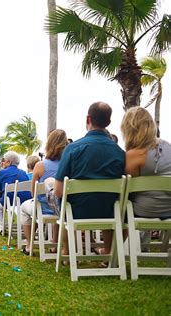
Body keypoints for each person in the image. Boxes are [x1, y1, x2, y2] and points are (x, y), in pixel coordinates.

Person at [54, 102, 125, 256]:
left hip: (77, 212)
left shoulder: (72, 149)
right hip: (110, 212)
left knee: (53, 193)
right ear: (109, 123)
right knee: (106, 200)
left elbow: (59, 191)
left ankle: (67, 250)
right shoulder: (119, 152)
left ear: (88, 119)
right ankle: (108, 252)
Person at [20, 129, 68, 255]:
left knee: (23, 209)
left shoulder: (40, 165)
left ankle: (30, 245)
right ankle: (54, 243)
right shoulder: (69, 164)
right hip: (65, 209)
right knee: (58, 202)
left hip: (44, 209)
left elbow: (33, 193)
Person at [121, 107, 171, 219]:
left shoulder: (133, 156)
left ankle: (119, 237)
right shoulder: (168, 146)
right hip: (169, 210)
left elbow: (130, 190)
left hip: (146, 210)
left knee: (121, 204)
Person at [0, 151, 31, 232]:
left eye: (4, 160)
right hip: (23, 201)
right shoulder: (23, 173)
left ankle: (1, 226)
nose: (3, 162)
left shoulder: (2, 172)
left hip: (9, 200)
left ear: (9, 162)